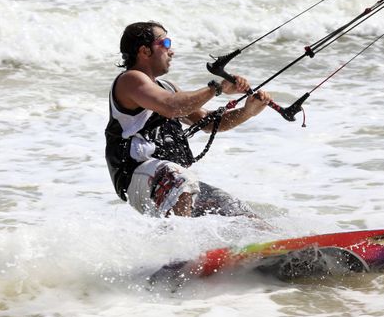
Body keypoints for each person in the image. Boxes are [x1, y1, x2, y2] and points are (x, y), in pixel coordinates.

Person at [105, 21, 272, 218]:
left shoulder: (167, 87)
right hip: (136, 174)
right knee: (181, 181)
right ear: (144, 51)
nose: (171, 51)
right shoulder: (131, 80)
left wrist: (247, 111)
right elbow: (172, 107)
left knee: (234, 208)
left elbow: (209, 123)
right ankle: (182, 244)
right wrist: (216, 88)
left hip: (167, 178)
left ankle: (289, 246)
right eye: (165, 43)